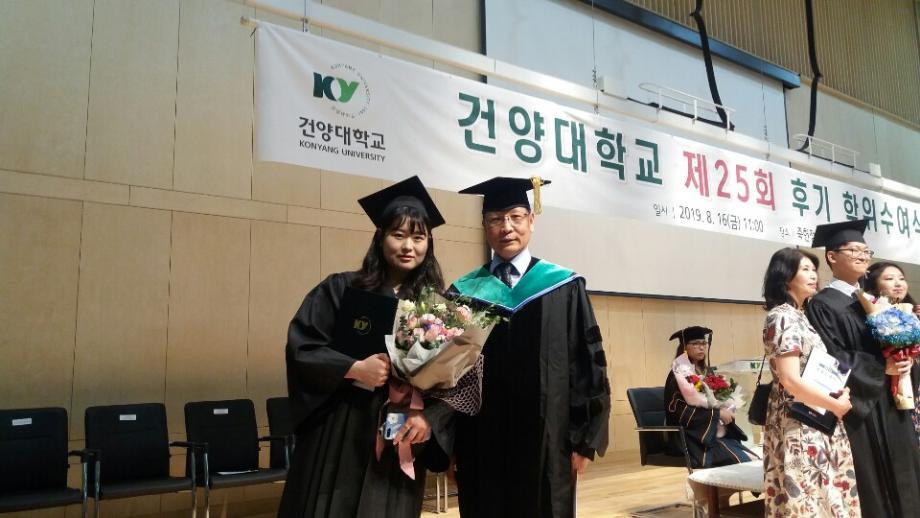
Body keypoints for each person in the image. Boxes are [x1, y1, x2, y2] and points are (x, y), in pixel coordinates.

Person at [279, 176, 452, 518]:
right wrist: (353, 368)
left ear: (428, 244)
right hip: (342, 426)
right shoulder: (341, 289)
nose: (408, 246)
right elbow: (303, 347)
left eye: (418, 238)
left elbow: (452, 381)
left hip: (399, 428)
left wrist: (428, 416)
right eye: (398, 235)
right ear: (380, 237)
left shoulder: (435, 308)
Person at [446, 177, 610, 518]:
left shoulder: (563, 285)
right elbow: (447, 376)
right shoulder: (463, 292)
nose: (506, 227)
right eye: (495, 219)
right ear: (484, 227)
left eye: (515, 217)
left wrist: (584, 440)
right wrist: (449, 446)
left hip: (550, 440)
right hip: (480, 440)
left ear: (531, 221)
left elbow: (587, 363)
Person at [804, 220, 920, 517]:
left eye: (865, 251)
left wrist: (905, 360)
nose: (862, 256)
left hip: (891, 402)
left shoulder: (874, 301)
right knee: (872, 482)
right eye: (853, 250)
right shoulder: (822, 304)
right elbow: (831, 356)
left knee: (907, 471)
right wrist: (882, 367)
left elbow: (893, 346)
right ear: (832, 257)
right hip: (861, 408)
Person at [761, 247, 860, 516]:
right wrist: (834, 404)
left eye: (814, 269)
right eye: (805, 269)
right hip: (799, 420)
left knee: (823, 492)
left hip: (816, 414)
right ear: (785, 276)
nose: (814, 275)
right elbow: (790, 379)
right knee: (807, 495)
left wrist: (838, 392)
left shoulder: (801, 315)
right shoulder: (782, 316)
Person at [663, 326, 756, 468]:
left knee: (754, 459)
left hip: (710, 432)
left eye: (704, 343)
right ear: (684, 347)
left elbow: (717, 399)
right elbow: (681, 412)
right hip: (691, 437)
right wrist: (718, 414)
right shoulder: (678, 374)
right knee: (742, 462)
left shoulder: (706, 372)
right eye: (696, 344)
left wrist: (728, 407)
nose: (701, 347)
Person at [861, 261, 920, 445]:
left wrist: (911, 358)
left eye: (901, 278)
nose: (898, 283)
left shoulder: (912, 312)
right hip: (882, 391)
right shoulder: (868, 314)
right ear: (874, 284)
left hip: (912, 382)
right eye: (889, 278)